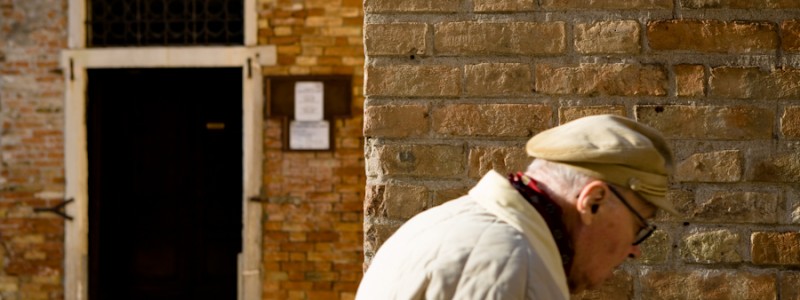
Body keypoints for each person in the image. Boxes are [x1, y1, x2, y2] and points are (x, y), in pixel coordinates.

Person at [356, 114, 678, 299]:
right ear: (593, 202)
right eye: (639, 226)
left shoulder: (434, 223)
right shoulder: (516, 271)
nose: (635, 251)